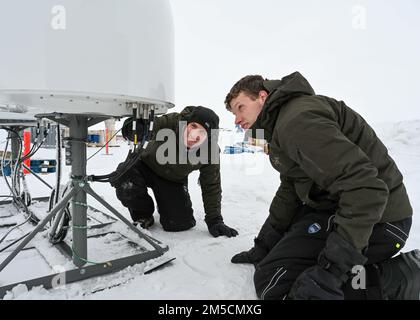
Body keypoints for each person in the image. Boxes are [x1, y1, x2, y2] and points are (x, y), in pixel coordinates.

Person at [225, 71, 419, 300]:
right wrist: (264, 245)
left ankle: (397, 278)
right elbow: (290, 190)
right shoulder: (283, 126)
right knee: (272, 263)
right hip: (343, 207)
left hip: (381, 220)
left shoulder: (297, 121)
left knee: (276, 282)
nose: (237, 120)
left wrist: (331, 271)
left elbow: (366, 188)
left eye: (240, 107)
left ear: (262, 97)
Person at [113, 105, 238, 238]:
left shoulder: (210, 151)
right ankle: (143, 214)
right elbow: (150, 124)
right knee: (126, 179)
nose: (194, 135)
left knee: (179, 224)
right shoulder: (174, 122)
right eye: (194, 126)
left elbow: (211, 185)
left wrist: (214, 220)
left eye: (202, 133)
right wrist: (134, 127)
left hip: (173, 179)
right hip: (145, 165)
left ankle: (166, 205)